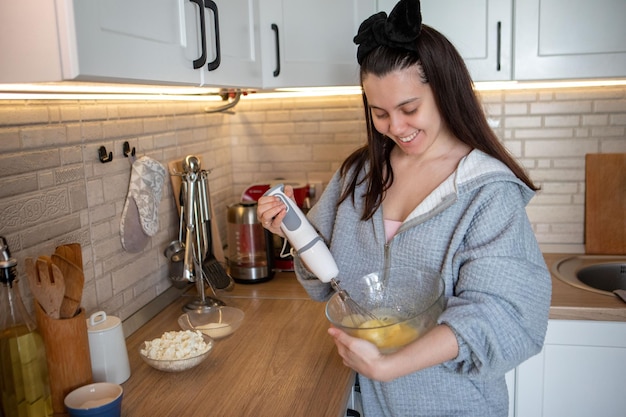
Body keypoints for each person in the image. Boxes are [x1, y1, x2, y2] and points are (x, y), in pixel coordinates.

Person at [257, 0, 552, 415]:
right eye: (380, 113)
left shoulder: (486, 192)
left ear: (445, 92)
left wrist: (392, 365)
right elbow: (326, 285)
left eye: (409, 108)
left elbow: (502, 315)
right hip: (364, 402)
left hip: (452, 406)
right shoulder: (359, 176)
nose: (396, 127)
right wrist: (287, 229)